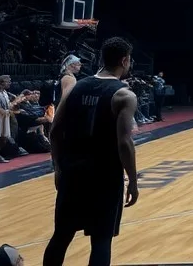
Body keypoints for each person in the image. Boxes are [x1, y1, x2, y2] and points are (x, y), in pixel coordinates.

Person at [44, 37, 139, 266]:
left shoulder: (75, 87)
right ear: (124, 61)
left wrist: (57, 168)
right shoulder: (124, 95)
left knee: (61, 236)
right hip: (105, 176)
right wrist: (133, 181)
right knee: (101, 240)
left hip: (72, 172)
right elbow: (124, 143)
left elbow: (55, 130)